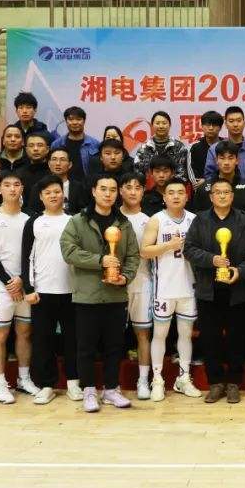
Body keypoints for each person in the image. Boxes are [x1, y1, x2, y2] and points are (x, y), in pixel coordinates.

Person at [60, 173, 141, 412]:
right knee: (85, 347)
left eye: (112, 190)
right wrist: (99, 260)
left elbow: (133, 256)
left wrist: (126, 276)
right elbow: (68, 251)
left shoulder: (124, 223)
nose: (108, 194)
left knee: (114, 346)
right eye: (103, 189)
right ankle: (88, 391)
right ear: (94, 191)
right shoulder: (78, 221)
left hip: (116, 295)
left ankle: (111, 389)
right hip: (87, 296)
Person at [183, 178, 245, 404]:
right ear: (211, 196)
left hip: (236, 290)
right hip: (208, 290)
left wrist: (240, 271)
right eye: (218, 192)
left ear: (232, 196)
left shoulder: (243, 220)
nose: (223, 196)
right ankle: (215, 383)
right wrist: (211, 260)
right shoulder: (200, 220)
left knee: (237, 339)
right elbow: (189, 249)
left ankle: (234, 383)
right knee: (210, 339)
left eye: (227, 192)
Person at [141, 180, 203, 401]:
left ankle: (183, 378)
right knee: (160, 334)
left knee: (186, 334)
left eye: (180, 192)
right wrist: (169, 245)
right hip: (164, 288)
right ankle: (157, 379)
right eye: (171, 193)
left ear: (186, 196)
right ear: (164, 197)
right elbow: (144, 251)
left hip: (188, 287)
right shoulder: (156, 219)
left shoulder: (194, 219)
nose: (176, 196)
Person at [0, 170, 37, 404]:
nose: (12, 189)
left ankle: (24, 378)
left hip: (26, 284)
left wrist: (22, 279)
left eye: (16, 185)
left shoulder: (30, 218)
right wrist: (8, 281)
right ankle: (1, 383)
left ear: (22, 188)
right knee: (0, 335)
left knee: (24, 333)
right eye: (7, 185)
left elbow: (33, 252)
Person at [21, 176, 77, 404]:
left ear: (63, 194)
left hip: (72, 291)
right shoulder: (34, 222)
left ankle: (74, 382)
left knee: (73, 340)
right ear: (41, 197)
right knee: (43, 341)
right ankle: (46, 385)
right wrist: (28, 287)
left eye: (57, 191)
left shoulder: (74, 221)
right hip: (42, 291)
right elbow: (26, 257)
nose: (53, 195)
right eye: (48, 192)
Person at [117, 173, 154, 400]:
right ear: (120, 190)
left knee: (143, 334)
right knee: (113, 336)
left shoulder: (149, 220)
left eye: (137, 187)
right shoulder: (111, 217)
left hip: (142, 284)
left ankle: (143, 380)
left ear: (143, 191)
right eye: (128, 187)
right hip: (115, 286)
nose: (132, 192)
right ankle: (112, 382)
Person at [194, 140, 245, 223]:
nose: (226, 163)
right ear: (216, 160)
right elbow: (198, 219)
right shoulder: (203, 190)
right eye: (222, 158)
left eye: (231, 158)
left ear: (237, 160)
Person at [205, 106, 245, 194]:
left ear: (244, 123)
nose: (235, 124)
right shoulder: (214, 149)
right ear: (225, 124)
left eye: (239, 120)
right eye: (231, 121)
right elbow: (209, 176)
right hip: (222, 197)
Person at [133, 110, 188, 183]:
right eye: (157, 123)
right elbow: (138, 173)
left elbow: (183, 173)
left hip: (173, 188)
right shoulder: (143, 148)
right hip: (149, 188)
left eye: (164, 123)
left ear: (169, 125)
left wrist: (170, 186)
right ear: (152, 125)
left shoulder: (179, 147)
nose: (161, 126)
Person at [50, 106, 99, 182]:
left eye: (78, 119)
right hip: (62, 185)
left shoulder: (94, 144)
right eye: (71, 119)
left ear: (84, 121)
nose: (75, 122)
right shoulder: (56, 144)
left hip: (86, 186)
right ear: (66, 121)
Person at [32, 148, 87, 215]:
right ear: (49, 164)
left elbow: (83, 210)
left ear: (70, 164)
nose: (58, 163)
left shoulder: (79, 187)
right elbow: (33, 210)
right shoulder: (39, 186)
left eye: (62, 160)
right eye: (54, 159)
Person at [187, 110, 223, 190]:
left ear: (220, 127)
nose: (211, 128)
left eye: (214, 125)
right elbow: (190, 171)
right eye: (207, 125)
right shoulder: (194, 146)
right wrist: (200, 184)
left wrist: (208, 181)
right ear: (202, 126)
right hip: (199, 190)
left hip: (222, 188)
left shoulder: (226, 146)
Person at [14, 132, 52, 200]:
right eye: (31, 146)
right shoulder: (19, 174)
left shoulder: (54, 172)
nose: (35, 149)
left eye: (40, 145)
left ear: (47, 149)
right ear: (26, 150)